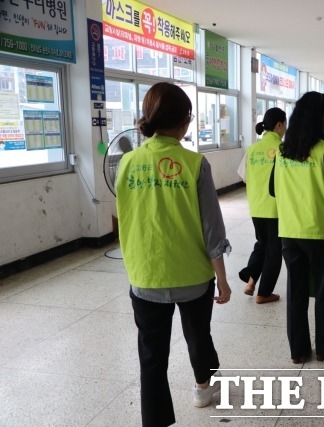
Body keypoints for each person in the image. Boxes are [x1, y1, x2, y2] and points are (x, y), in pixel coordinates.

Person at [116, 82, 232, 426]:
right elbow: (212, 229)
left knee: (151, 357)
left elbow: (126, 218)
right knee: (198, 335)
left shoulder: (127, 162)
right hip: (193, 276)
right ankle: (201, 388)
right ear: (184, 120)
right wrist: (222, 280)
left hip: (145, 274)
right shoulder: (194, 163)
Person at [270, 91, 324, 364]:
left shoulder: (282, 150)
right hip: (318, 231)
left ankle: (299, 351)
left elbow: (272, 189)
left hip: (289, 231)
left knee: (296, 290)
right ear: (318, 116)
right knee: (323, 288)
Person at [237, 108, 286, 304]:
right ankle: (264, 293)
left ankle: (250, 281)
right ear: (279, 125)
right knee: (274, 251)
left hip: (256, 207)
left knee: (261, 244)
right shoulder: (283, 149)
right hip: (276, 208)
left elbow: (243, 177)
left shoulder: (252, 149)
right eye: (285, 124)